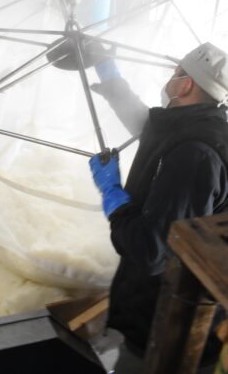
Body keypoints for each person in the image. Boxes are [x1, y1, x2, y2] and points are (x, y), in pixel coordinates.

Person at [89, 42, 228, 374]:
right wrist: (110, 75)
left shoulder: (195, 154)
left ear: (187, 83)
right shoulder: (199, 124)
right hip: (161, 314)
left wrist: (113, 196)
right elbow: (148, 126)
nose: (171, 77)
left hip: (173, 328)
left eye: (176, 71)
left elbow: (152, 251)